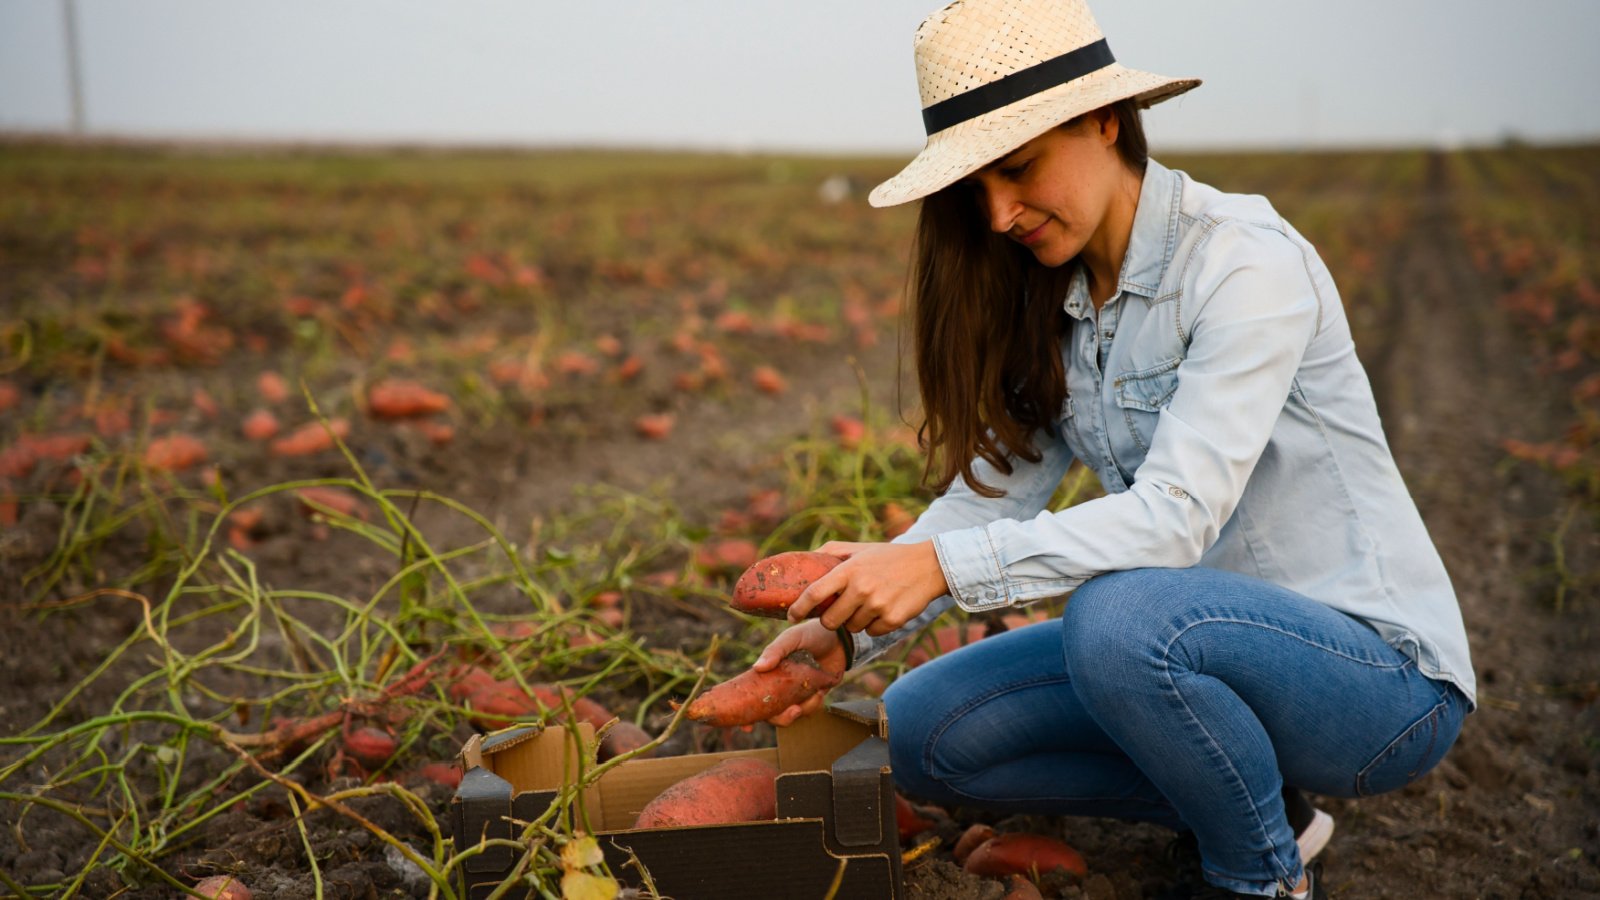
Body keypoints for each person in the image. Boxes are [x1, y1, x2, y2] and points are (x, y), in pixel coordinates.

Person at [749, 1, 1476, 897]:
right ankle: (1264, 810)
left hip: (1377, 685)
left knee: (1119, 619)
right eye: (976, 191)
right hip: (1193, 654)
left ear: (1104, 120)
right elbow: (992, 498)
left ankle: (1259, 878)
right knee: (927, 729)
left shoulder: (1243, 265)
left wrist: (943, 568)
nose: (1000, 214)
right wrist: (846, 630)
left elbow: (1174, 523)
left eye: (1017, 170)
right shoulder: (1051, 300)